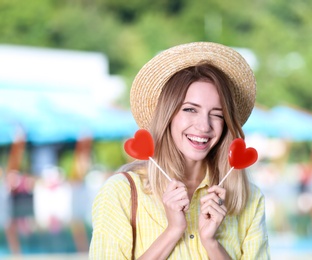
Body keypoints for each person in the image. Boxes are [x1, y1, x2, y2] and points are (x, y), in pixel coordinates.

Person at [89, 42, 270, 259]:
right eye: (190, 109)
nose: (204, 126)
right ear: (168, 115)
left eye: (217, 114)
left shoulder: (249, 199)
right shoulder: (120, 192)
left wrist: (211, 243)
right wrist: (172, 231)